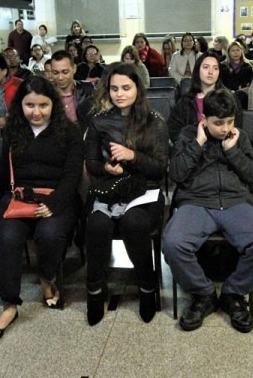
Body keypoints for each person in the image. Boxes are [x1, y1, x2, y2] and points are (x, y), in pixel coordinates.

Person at [0, 76, 83, 342]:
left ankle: (47, 278)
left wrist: (55, 203)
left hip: (56, 197)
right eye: (29, 105)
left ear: (53, 105)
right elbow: (3, 170)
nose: (36, 112)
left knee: (49, 235)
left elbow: (72, 176)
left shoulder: (69, 131)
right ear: (20, 105)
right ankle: (9, 305)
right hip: (18, 197)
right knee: (8, 238)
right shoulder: (14, 130)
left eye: (43, 105)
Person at [164, 89, 253, 333]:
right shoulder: (187, 134)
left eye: (230, 122)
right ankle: (203, 294)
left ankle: (233, 294)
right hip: (196, 201)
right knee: (173, 243)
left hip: (235, 201)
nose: (225, 128)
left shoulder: (239, 137)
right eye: (218, 123)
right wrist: (198, 143)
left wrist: (232, 150)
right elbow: (176, 173)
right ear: (204, 119)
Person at [84, 63, 168, 326]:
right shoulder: (99, 121)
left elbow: (160, 167)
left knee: (134, 222)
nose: (120, 94)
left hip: (145, 190)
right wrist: (107, 167)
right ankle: (95, 291)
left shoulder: (154, 120)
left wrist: (132, 156)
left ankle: (147, 287)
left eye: (126, 88)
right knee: (97, 225)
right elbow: (92, 164)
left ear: (137, 88)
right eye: (114, 88)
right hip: (110, 188)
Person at [168, 52, 243, 142]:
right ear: (197, 70)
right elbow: (174, 131)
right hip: (194, 150)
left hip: (223, 151)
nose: (211, 72)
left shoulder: (231, 99)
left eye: (215, 68)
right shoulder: (185, 101)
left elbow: (237, 130)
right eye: (206, 67)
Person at [48, 50, 95, 130]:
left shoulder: (88, 89)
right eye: (55, 73)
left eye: (65, 72)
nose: (60, 78)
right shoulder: (46, 92)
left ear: (74, 69)